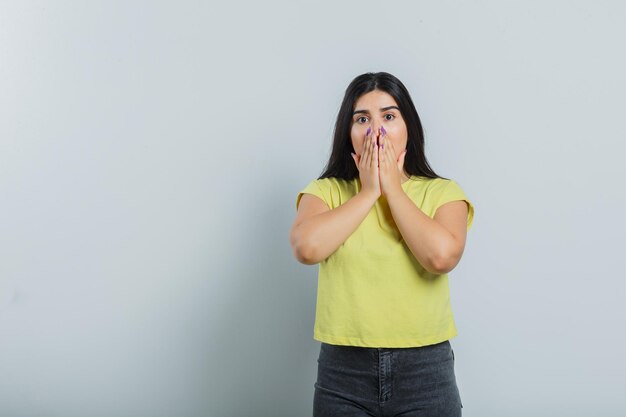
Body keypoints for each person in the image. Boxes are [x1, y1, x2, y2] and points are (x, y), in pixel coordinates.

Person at [289, 71, 475, 417]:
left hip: (425, 372)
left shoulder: (443, 193)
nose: (376, 130)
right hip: (343, 373)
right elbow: (306, 248)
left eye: (388, 116)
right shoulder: (326, 191)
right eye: (362, 119)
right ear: (348, 132)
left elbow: (441, 257)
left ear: (409, 128)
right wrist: (370, 190)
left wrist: (392, 188)